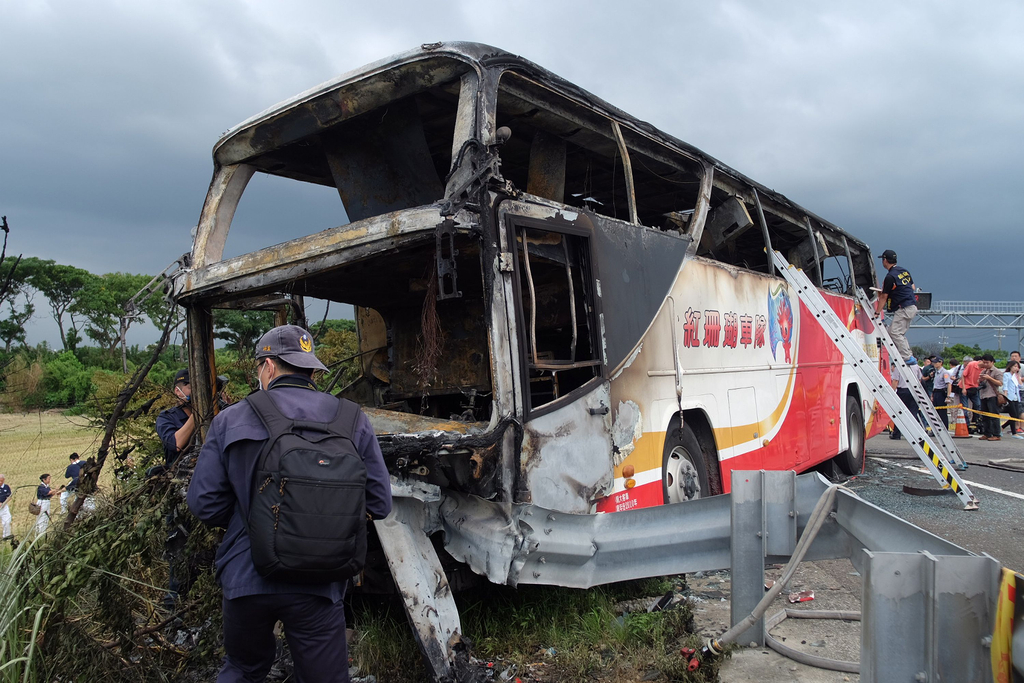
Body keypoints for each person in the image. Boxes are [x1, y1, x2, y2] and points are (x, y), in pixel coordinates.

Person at [188, 325, 392, 683]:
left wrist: (254, 517)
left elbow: (203, 504)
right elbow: (380, 503)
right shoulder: (352, 419)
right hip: (320, 580)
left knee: (243, 669)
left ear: (267, 366)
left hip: (247, 575)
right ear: (312, 371)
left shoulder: (231, 418)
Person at [874, 249, 918, 363]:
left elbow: (883, 297)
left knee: (895, 333)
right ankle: (907, 354)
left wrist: (877, 312)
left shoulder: (890, 277)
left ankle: (907, 357)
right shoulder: (904, 271)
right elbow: (912, 287)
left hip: (904, 307)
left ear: (885, 260)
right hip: (911, 305)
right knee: (895, 333)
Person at [157, 369, 198, 467]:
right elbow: (175, 444)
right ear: (177, 391)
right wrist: (197, 413)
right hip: (181, 473)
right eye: (190, 388)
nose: (196, 392)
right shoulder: (166, 417)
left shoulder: (213, 413)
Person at [890, 357, 923, 440]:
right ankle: (915, 435)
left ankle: (897, 434)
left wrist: (892, 392)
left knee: (900, 413)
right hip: (914, 390)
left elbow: (895, 381)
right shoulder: (916, 367)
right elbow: (919, 379)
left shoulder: (898, 367)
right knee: (913, 412)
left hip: (902, 391)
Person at [977, 354, 1004, 441]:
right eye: (984, 362)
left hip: (992, 395)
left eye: (987, 362)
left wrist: (989, 378)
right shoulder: (983, 371)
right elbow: (978, 382)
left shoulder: (997, 371)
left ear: (992, 362)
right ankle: (987, 433)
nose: (985, 364)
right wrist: (980, 380)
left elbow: (1000, 383)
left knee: (994, 416)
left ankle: (996, 434)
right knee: (985, 416)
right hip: (983, 395)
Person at [962, 355, 983, 433]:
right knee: (965, 407)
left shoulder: (984, 368)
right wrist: (964, 388)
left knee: (978, 405)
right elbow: (963, 376)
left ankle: (979, 423)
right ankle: (966, 425)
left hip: (974, 388)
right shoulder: (971, 364)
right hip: (965, 387)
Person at [931, 358, 953, 429]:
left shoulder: (944, 372)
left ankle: (944, 428)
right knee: (936, 411)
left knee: (942, 412)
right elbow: (935, 385)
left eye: (936, 362)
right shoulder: (936, 372)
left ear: (941, 363)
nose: (934, 364)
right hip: (936, 392)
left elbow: (948, 384)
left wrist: (948, 396)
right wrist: (932, 395)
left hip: (941, 392)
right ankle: (937, 428)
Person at [1003, 360, 1022, 439]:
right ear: (1010, 367)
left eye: (1017, 367)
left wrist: (1019, 378)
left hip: (1016, 397)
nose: (1016, 368)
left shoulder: (1016, 376)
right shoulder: (1007, 375)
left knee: (1016, 416)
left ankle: (1003, 427)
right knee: (1013, 415)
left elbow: (1020, 386)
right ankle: (1014, 433)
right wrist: (1005, 396)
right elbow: (1005, 385)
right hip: (1009, 397)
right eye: (1014, 366)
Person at [0, 474, 12, 539]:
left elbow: (9, 497)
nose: (0, 482)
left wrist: (4, 503)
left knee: (7, 521)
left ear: (3, 480)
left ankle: (6, 537)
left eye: (1, 481)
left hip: (4, 507)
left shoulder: (6, 487)